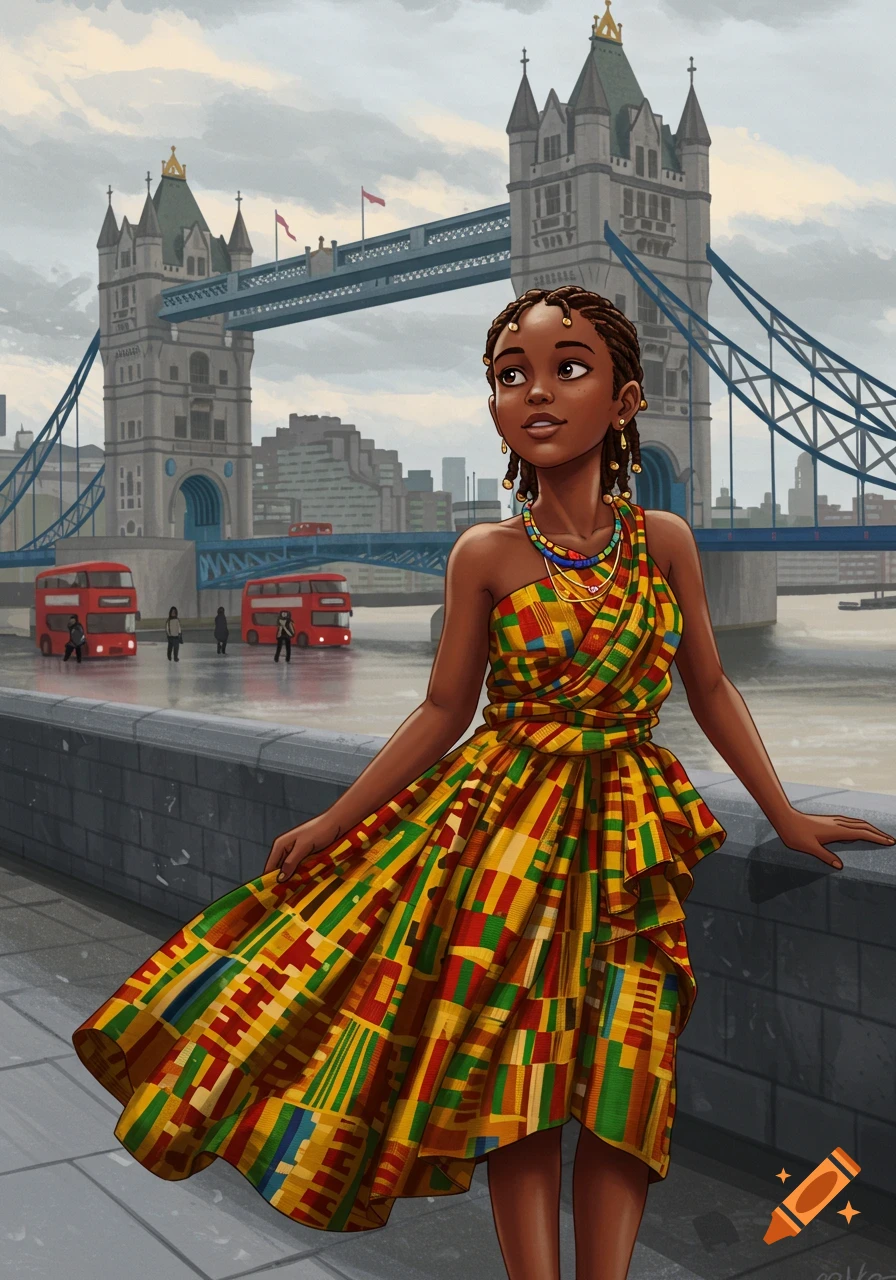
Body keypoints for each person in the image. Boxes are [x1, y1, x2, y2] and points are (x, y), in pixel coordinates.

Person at [71, 287, 895, 1280]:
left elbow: (710, 685)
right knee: (523, 1085)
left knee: (623, 1085)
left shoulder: (666, 541)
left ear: (627, 400)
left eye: (567, 366)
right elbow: (440, 709)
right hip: (502, 843)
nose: (535, 392)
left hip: (631, 838)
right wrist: (337, 816)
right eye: (511, 374)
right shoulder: (483, 555)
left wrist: (784, 813)